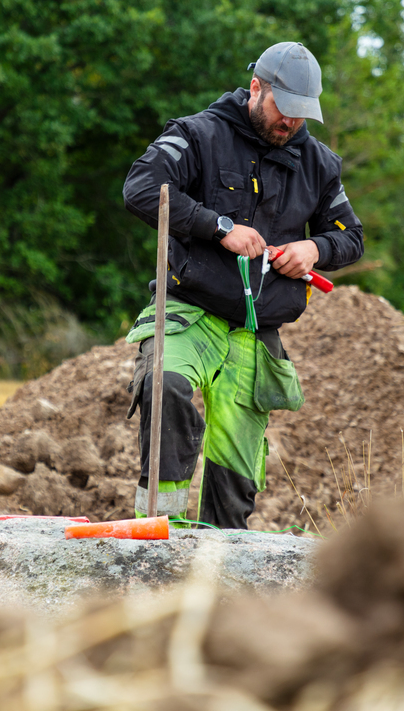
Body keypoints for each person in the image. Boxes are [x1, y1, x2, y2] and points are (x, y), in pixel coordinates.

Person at [121, 42, 364, 529]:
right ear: (257, 89)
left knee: (234, 480)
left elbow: (350, 237)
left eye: (301, 115)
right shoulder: (197, 136)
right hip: (189, 311)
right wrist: (219, 228)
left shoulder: (319, 164)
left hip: (256, 334)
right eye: (284, 109)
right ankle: (155, 537)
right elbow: (142, 190)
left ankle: (219, 567)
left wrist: (314, 250)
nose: (291, 123)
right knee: (165, 385)